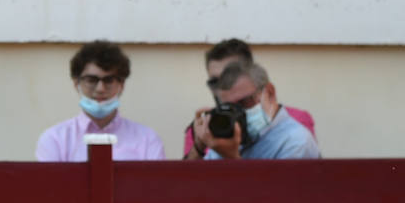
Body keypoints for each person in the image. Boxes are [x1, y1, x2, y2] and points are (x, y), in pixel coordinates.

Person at [183, 39, 316, 159]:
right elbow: (190, 184)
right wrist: (199, 148)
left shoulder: (294, 140)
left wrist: (230, 157)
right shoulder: (222, 130)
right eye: (215, 82)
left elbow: (278, 187)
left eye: (244, 102)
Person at [35, 41, 164, 162]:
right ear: (76, 83)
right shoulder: (55, 140)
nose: (100, 89)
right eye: (91, 80)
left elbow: (155, 185)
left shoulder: (147, 140)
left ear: (122, 84)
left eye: (109, 80)